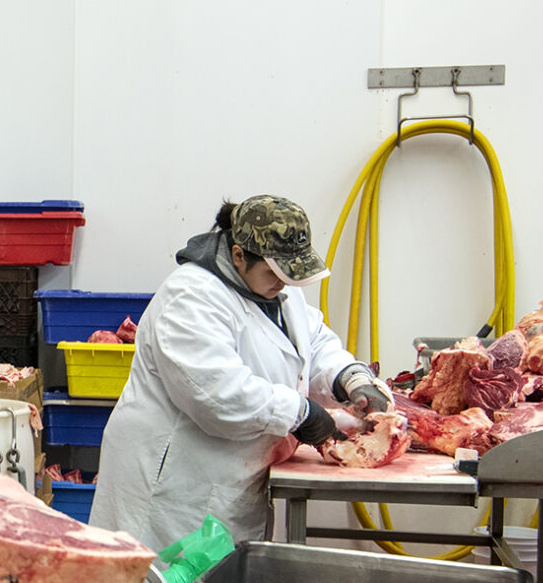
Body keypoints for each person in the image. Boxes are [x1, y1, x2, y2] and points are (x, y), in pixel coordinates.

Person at [92, 196, 388, 555]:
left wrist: (351, 378)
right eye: (275, 273)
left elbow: (313, 342)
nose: (284, 283)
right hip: (174, 488)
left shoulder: (277, 292)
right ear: (238, 255)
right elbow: (217, 395)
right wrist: (301, 414)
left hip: (230, 479)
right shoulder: (191, 297)